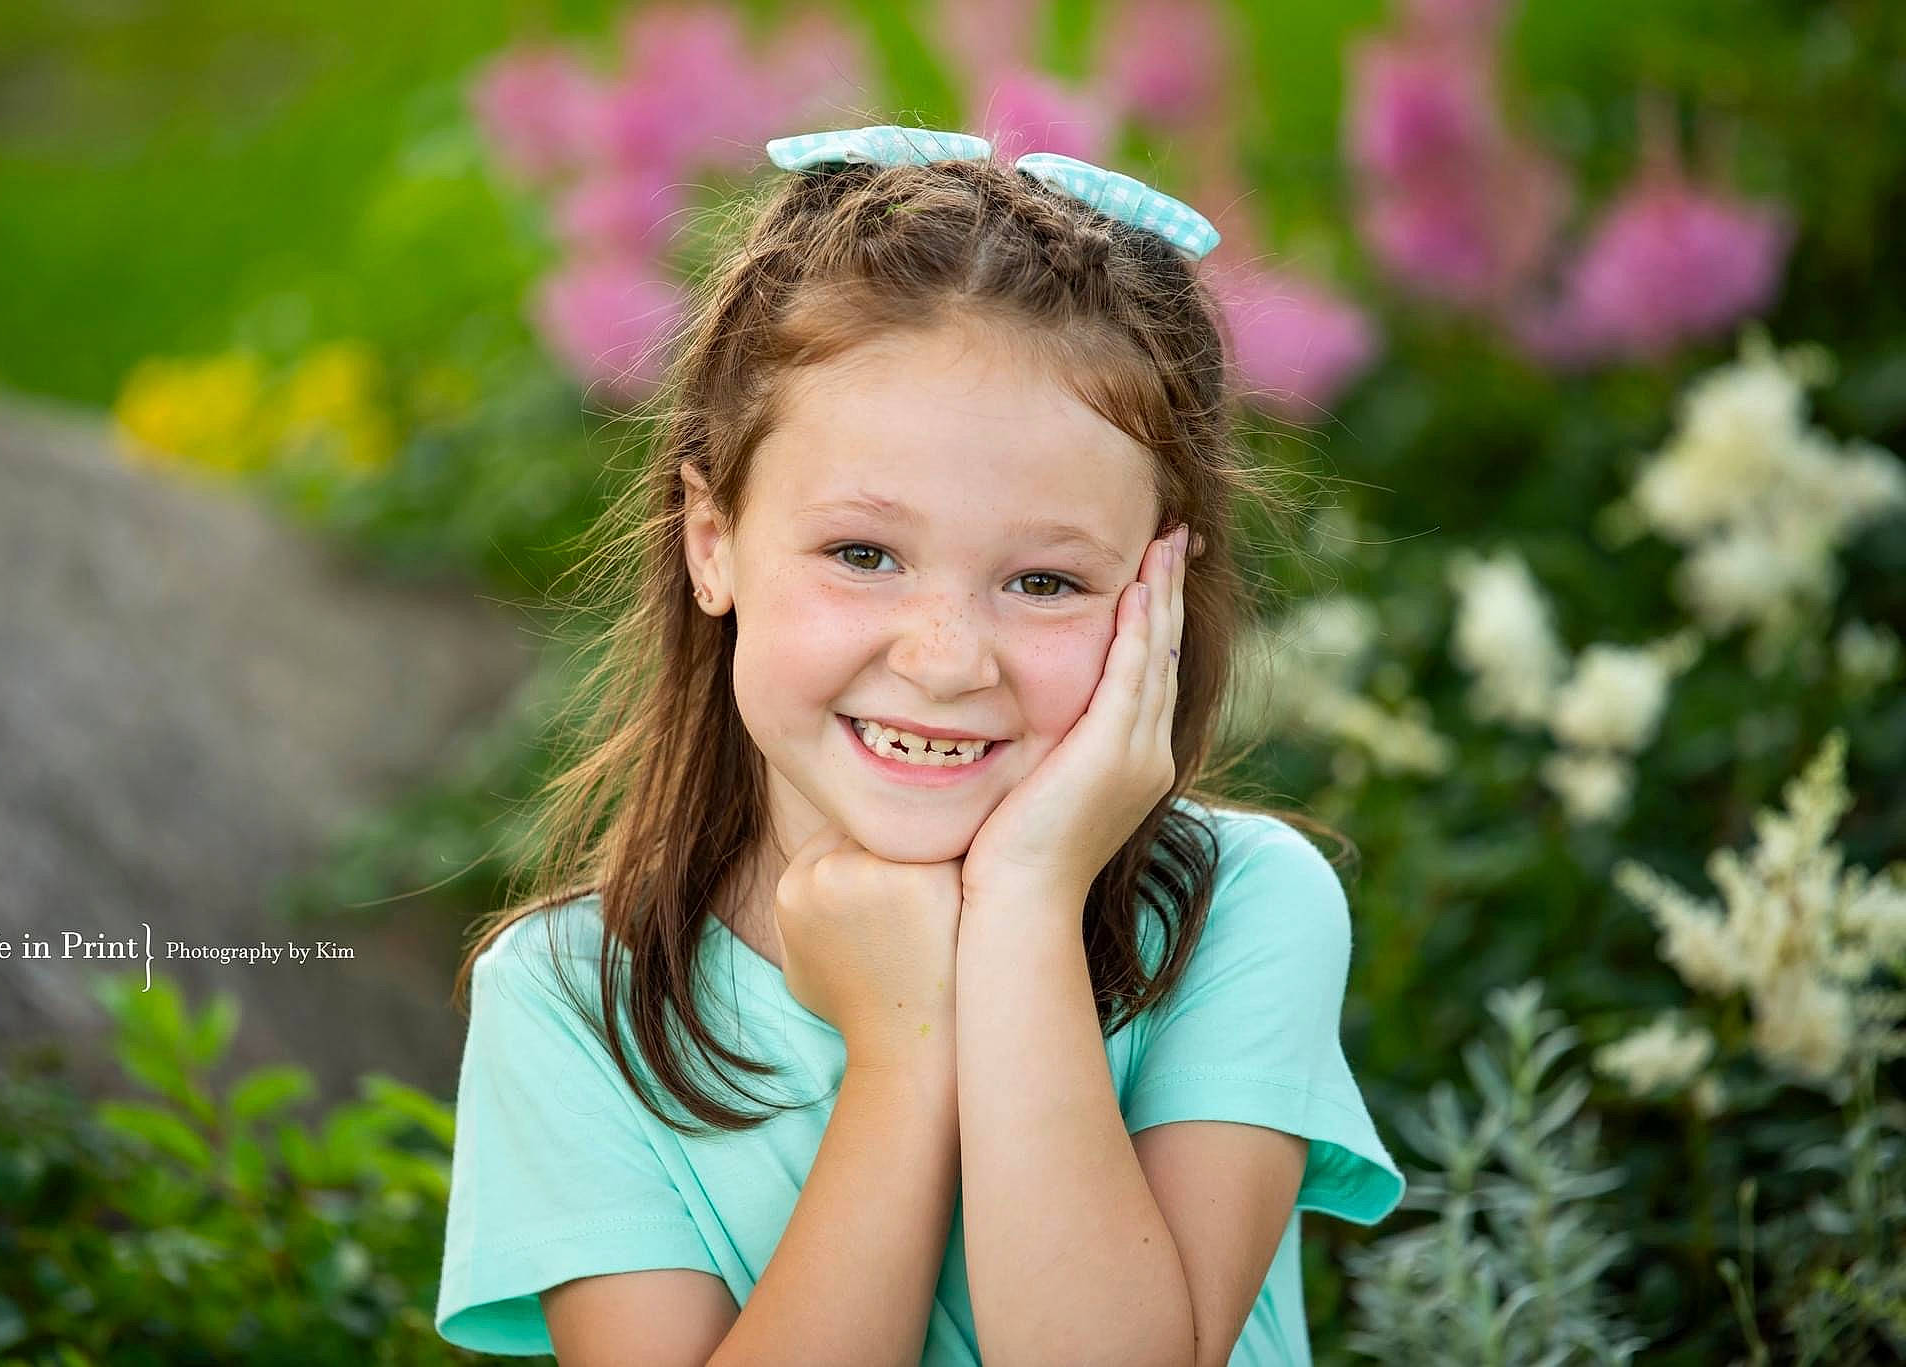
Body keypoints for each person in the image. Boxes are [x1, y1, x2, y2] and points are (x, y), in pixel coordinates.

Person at [434, 123, 1405, 1366]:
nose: (946, 656)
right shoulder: (575, 1005)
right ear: (712, 537)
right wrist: (900, 1057)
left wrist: (1022, 908)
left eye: (1045, 579)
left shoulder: (1242, 910)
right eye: (861, 554)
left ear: (1161, 589)